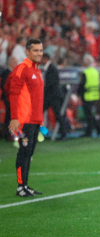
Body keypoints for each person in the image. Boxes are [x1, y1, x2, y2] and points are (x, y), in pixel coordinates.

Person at [6, 38, 44, 197]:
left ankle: (25, 185)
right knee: (24, 151)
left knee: (29, 152)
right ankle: (20, 187)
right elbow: (12, 92)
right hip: (24, 120)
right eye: (35, 50)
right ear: (27, 51)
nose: (39, 53)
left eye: (41, 50)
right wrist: (14, 117)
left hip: (35, 120)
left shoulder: (37, 70)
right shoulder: (22, 68)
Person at [41, 53, 67, 140]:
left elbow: (50, 84)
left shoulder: (51, 68)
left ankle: (63, 133)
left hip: (53, 96)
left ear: (45, 59)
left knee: (58, 115)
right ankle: (63, 133)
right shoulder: (50, 68)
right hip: (50, 96)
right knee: (56, 115)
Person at [77, 54, 100, 137]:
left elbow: (82, 85)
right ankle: (92, 130)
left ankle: (97, 129)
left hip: (87, 95)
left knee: (89, 115)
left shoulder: (86, 72)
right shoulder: (95, 71)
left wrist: (78, 94)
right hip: (95, 95)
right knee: (90, 114)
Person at [0, 56, 18, 141]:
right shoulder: (6, 73)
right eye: (15, 62)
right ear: (10, 63)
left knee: (10, 116)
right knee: (9, 116)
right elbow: (4, 86)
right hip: (8, 97)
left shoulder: (13, 72)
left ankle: (10, 133)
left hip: (12, 97)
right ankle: (8, 134)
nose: (16, 64)